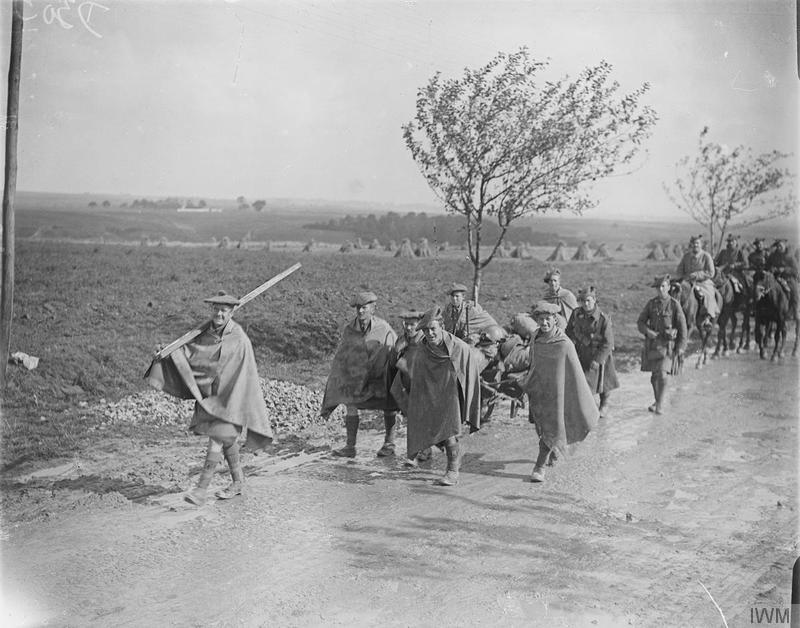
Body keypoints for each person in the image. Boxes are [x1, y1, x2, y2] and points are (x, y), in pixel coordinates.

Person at [145, 290, 274, 506]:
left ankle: (201, 489)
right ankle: (238, 482)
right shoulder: (205, 334)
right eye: (216, 309)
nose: (219, 314)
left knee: (218, 436)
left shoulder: (239, 339)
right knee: (226, 438)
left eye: (224, 310)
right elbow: (192, 354)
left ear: (232, 312)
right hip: (212, 396)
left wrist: (232, 396)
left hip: (233, 398)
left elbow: (244, 373)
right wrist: (168, 353)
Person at [521, 301, 599, 483]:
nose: (544, 323)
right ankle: (554, 447)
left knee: (551, 427)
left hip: (558, 394)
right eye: (540, 320)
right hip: (539, 389)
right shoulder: (535, 337)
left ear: (554, 320)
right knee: (539, 426)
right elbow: (533, 362)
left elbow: (574, 373)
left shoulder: (564, 344)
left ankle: (539, 467)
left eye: (548, 319)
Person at [405, 306, 483, 486]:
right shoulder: (422, 350)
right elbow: (419, 376)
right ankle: (432, 453)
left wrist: (467, 400)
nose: (430, 333)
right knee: (433, 428)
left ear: (441, 327)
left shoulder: (459, 348)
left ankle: (453, 471)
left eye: (433, 329)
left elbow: (469, 374)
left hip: (452, 394)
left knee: (449, 430)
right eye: (425, 330)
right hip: (432, 394)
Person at [321, 291, 399, 458]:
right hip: (358, 377)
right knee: (350, 403)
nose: (360, 312)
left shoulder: (383, 328)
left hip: (379, 377)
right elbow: (343, 354)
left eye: (364, 308)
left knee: (390, 403)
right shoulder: (350, 329)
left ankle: (389, 444)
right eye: (358, 308)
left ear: (373, 309)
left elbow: (394, 350)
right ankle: (350, 446)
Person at [636, 275, 688, 416]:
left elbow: (683, 327)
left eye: (663, 286)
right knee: (654, 377)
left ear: (669, 288)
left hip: (668, 346)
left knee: (663, 374)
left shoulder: (674, 305)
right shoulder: (651, 304)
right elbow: (640, 322)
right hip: (653, 345)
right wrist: (648, 331)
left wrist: (681, 347)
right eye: (658, 287)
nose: (660, 289)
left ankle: (660, 403)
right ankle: (657, 399)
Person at [565, 286, 619, 417]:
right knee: (585, 382)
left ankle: (604, 404)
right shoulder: (577, 313)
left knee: (604, 382)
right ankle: (588, 408)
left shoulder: (603, 319)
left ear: (594, 300)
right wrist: (572, 343)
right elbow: (569, 331)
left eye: (588, 300)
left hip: (600, 354)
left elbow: (608, 342)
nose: (585, 303)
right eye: (582, 301)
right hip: (582, 353)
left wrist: (598, 360)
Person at [675, 234, 719, 320]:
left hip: (703, 282)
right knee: (676, 292)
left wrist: (697, 275)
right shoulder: (686, 256)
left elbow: (711, 272)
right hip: (687, 281)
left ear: (701, 244)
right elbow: (679, 270)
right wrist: (681, 277)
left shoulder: (706, 256)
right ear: (691, 244)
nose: (695, 245)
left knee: (706, 295)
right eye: (693, 243)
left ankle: (706, 317)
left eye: (697, 243)